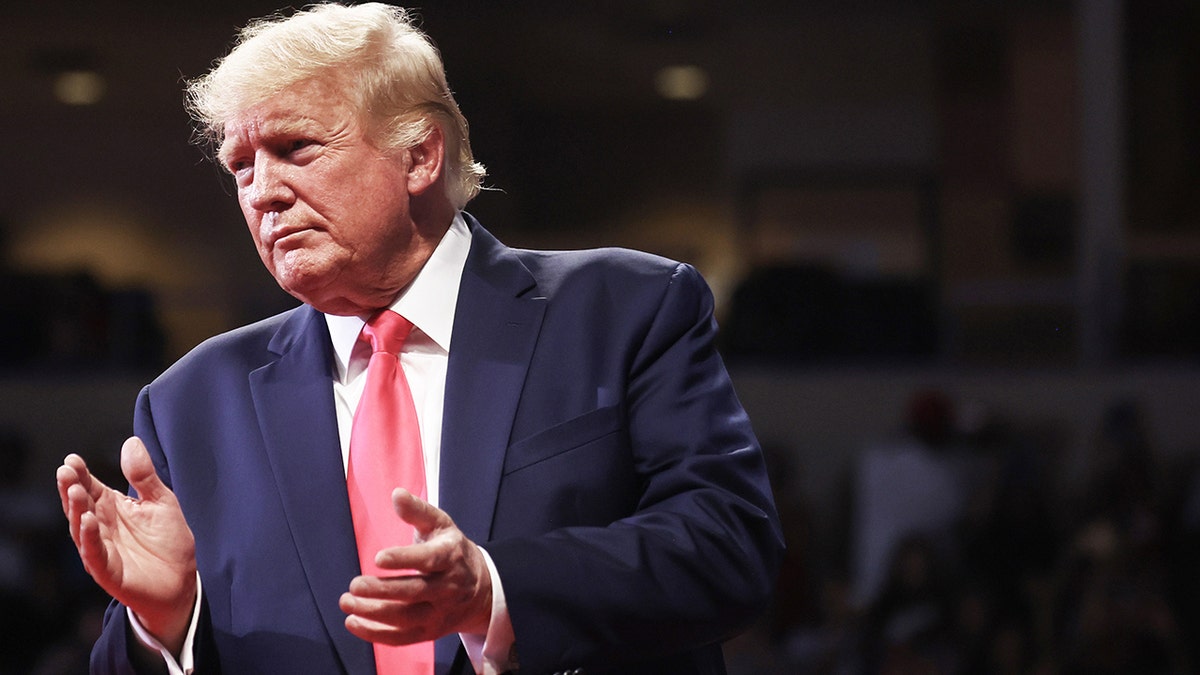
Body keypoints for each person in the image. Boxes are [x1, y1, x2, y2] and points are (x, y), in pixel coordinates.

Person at [54, 3, 784, 674]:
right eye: (241, 165)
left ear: (420, 156)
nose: (261, 192)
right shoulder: (190, 404)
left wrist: (496, 589)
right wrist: (168, 620)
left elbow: (730, 546)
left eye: (296, 148)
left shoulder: (624, 309)